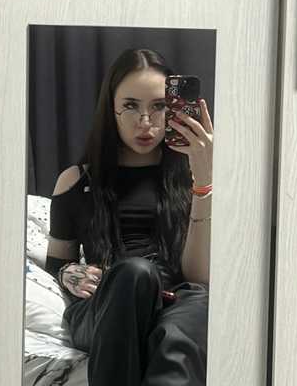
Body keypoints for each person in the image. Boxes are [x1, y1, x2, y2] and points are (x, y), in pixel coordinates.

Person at [45, 48, 214, 386]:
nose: (145, 122)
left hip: (176, 302)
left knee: (190, 313)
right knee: (136, 273)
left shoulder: (193, 177)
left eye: (159, 106)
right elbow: (56, 263)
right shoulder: (76, 181)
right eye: (131, 106)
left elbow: (198, 276)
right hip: (107, 304)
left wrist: (204, 182)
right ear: (112, 109)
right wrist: (70, 273)